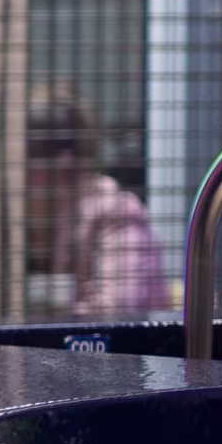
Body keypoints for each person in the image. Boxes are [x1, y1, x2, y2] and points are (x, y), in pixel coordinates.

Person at [28, 97, 168, 320]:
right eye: (45, 149)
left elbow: (120, 309)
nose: (65, 160)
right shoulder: (10, 217)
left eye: (71, 145)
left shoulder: (115, 210)